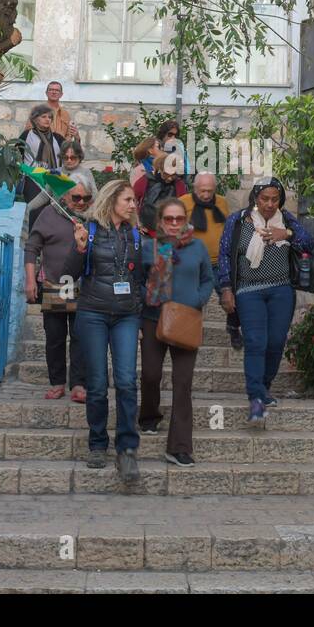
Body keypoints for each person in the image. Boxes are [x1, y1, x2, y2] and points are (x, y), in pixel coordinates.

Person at [216, 177, 314, 425]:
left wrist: (288, 234)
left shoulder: (288, 220)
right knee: (255, 341)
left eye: (275, 199)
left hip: (281, 291)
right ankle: (256, 399)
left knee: (275, 342)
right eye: (265, 199)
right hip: (249, 290)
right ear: (255, 199)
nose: (270, 204)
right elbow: (225, 254)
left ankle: (264, 386)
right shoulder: (239, 220)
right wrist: (226, 287)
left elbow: (309, 243)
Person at [68, 179, 146, 482]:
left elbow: (142, 277)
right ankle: (97, 443)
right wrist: (78, 248)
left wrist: (139, 312)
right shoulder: (88, 229)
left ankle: (127, 449)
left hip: (126, 316)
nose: (132, 205)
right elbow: (68, 271)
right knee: (98, 383)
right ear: (112, 199)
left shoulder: (137, 235)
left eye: (133, 200)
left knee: (126, 381)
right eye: (127, 199)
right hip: (93, 314)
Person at [138, 198, 213, 466]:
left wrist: (198, 299)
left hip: (186, 320)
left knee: (183, 384)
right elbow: (137, 282)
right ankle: (148, 416)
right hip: (152, 318)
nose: (173, 224)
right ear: (159, 221)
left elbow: (208, 278)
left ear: (185, 220)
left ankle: (179, 447)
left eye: (178, 219)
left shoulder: (198, 247)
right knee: (150, 374)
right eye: (168, 219)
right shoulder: (149, 248)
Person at [25, 182, 93, 402]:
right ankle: (57, 383)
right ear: (64, 198)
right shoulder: (48, 214)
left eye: (86, 197)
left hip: (84, 288)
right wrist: (30, 280)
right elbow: (32, 247)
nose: (81, 202)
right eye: (76, 198)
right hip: (54, 285)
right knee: (54, 337)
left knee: (80, 337)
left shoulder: (93, 218)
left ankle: (79, 384)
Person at [178, 172, 241, 349]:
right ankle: (187, 334)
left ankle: (233, 327)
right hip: (195, 262)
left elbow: (227, 229)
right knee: (193, 300)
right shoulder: (183, 202)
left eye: (210, 191)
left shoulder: (221, 202)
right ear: (195, 188)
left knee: (231, 298)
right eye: (202, 191)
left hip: (220, 262)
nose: (206, 195)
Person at [19, 103, 63, 225]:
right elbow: (16, 154)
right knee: (35, 213)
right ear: (35, 119)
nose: (47, 119)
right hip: (33, 178)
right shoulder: (27, 135)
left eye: (49, 117)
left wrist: (76, 136)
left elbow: (71, 153)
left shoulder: (57, 138)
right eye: (44, 116)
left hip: (53, 179)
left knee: (54, 213)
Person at [134, 151, 188, 231]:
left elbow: (183, 207)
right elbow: (133, 201)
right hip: (146, 230)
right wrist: (138, 222)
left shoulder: (179, 185)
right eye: (166, 174)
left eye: (174, 175)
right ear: (159, 169)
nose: (170, 178)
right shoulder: (144, 181)